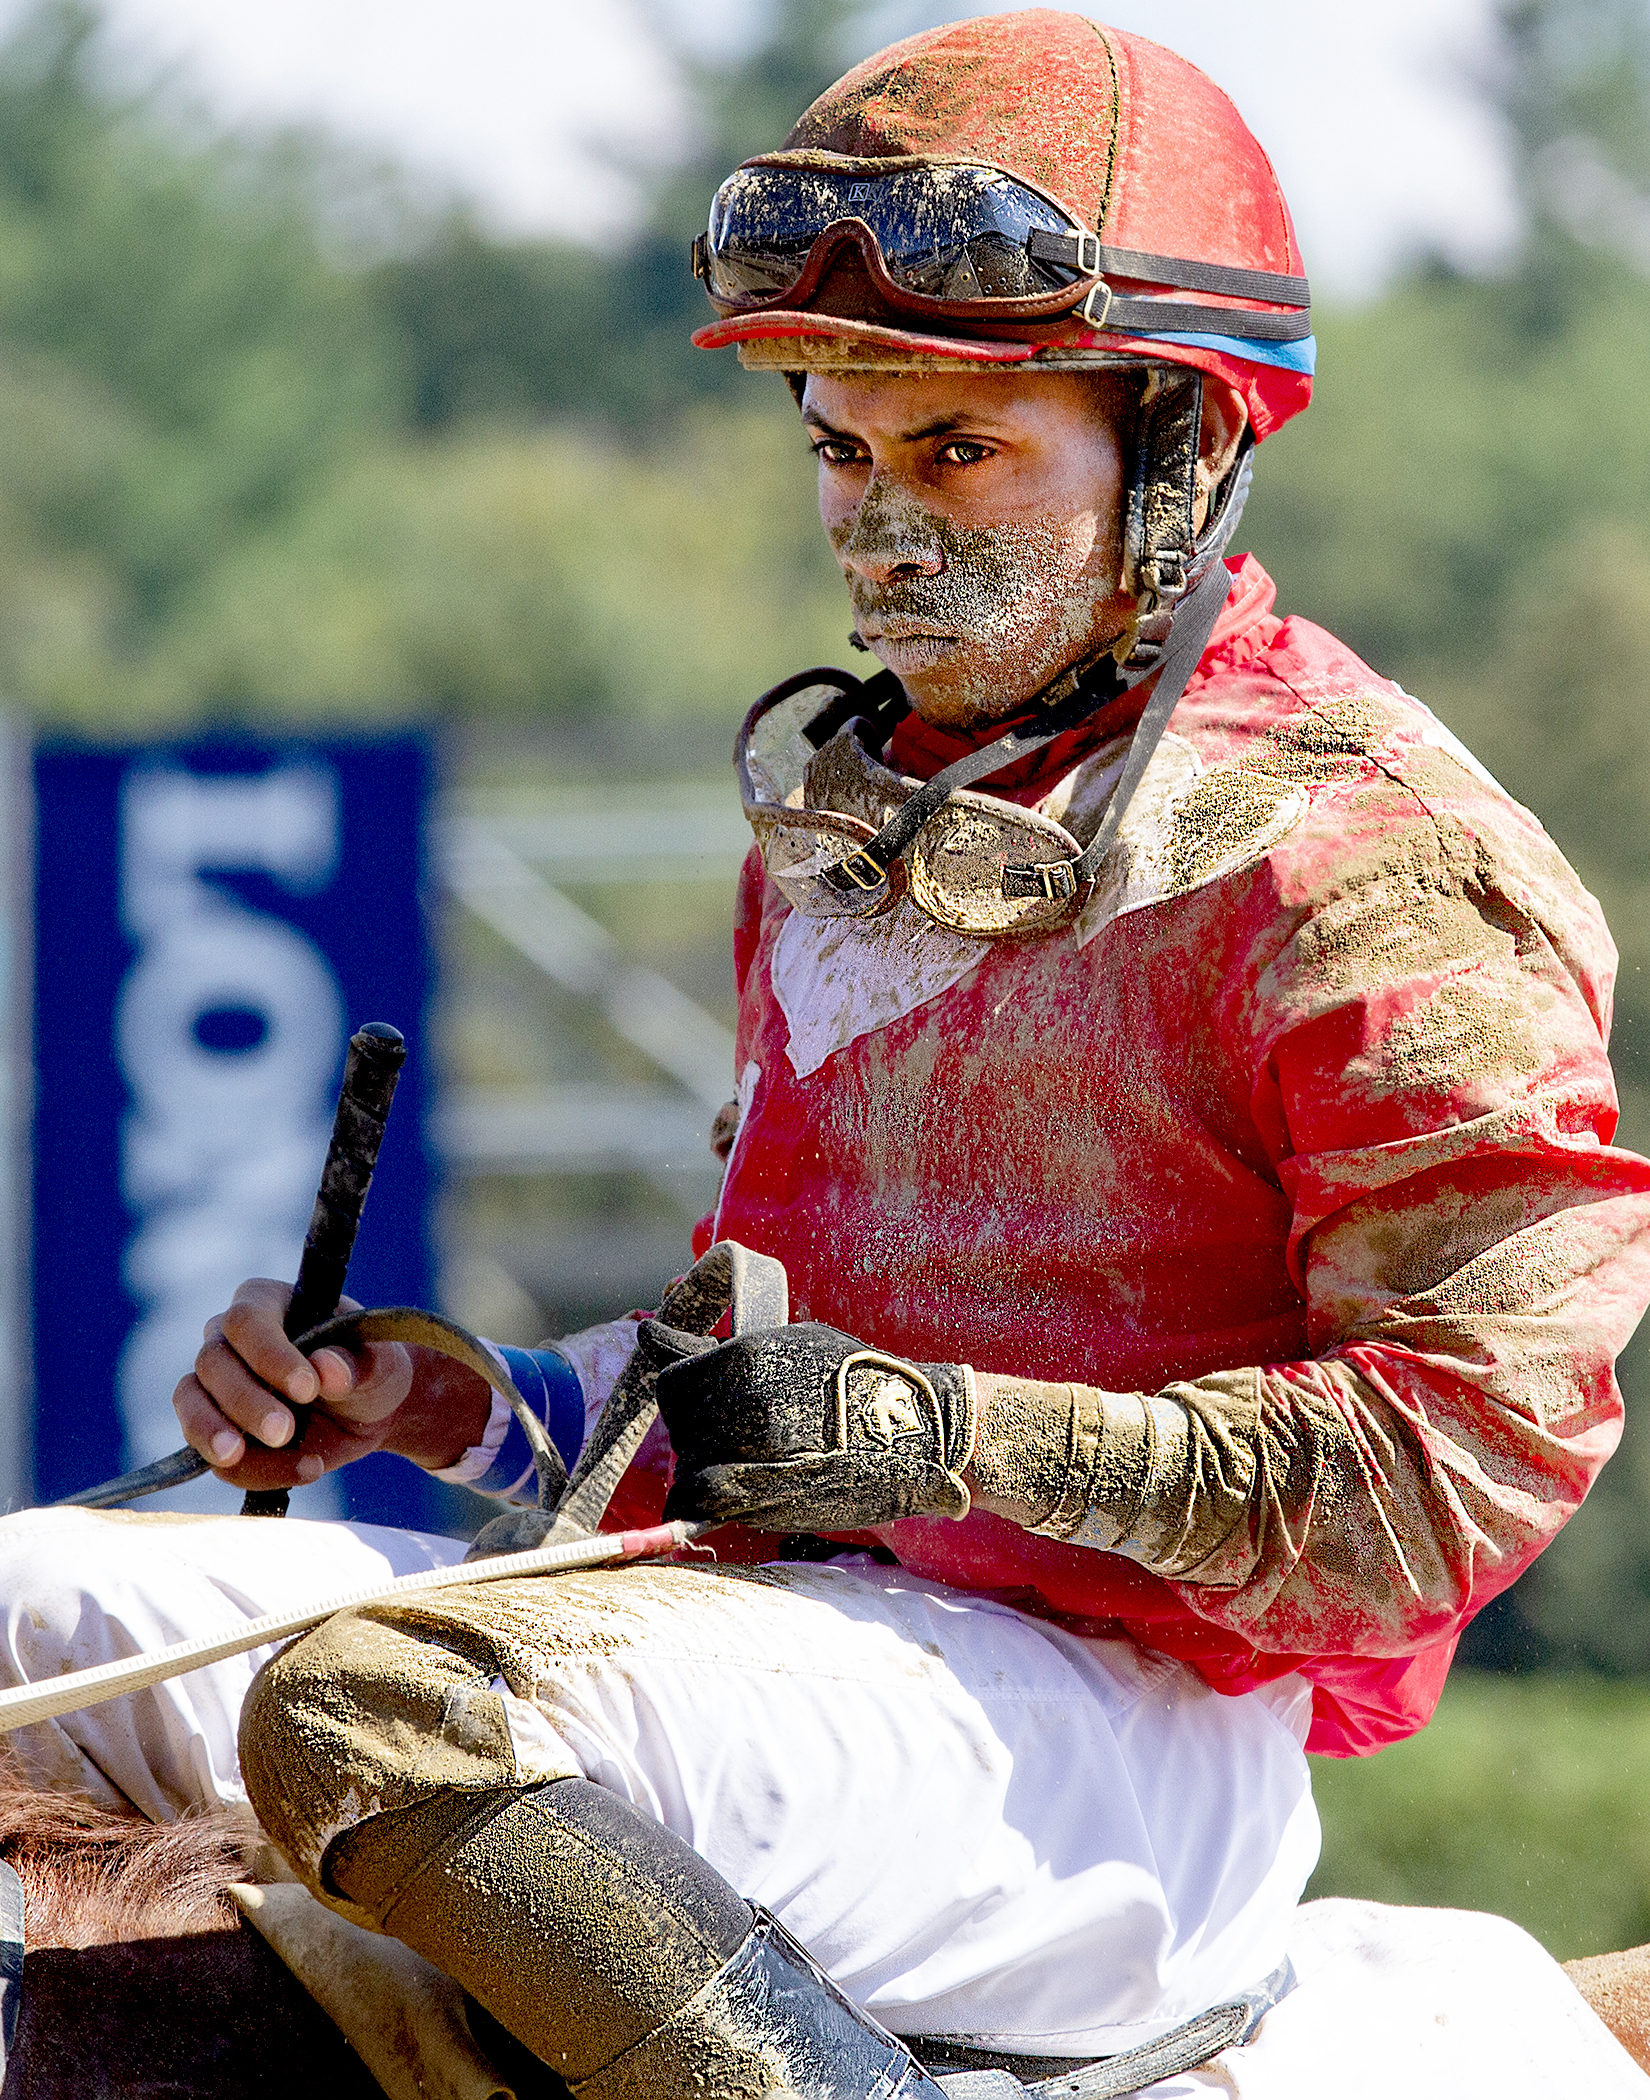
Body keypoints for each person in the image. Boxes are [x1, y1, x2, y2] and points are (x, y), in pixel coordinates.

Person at [6, 12, 1650, 2094]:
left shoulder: (1383, 864)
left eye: (960, 451)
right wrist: (448, 1398)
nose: (877, 528)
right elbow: (763, 1385)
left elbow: (1462, 1469)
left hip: (1123, 1755)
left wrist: (946, 1441)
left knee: (386, 1708)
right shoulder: (851, 821)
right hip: (809, 1661)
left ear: (1185, 439)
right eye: (839, 448)